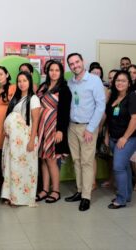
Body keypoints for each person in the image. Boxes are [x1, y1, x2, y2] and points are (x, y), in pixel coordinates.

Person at [65, 53, 106, 211]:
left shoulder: (94, 81)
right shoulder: (71, 82)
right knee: (76, 160)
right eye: (72, 64)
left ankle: (86, 197)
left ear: (83, 62)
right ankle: (80, 190)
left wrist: (90, 129)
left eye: (77, 62)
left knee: (87, 162)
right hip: (72, 127)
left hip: (87, 128)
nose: (75, 65)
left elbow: (100, 106)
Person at [1, 71, 40, 206]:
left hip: (27, 138)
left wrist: (31, 141)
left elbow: (35, 121)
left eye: (25, 80)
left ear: (29, 82)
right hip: (14, 140)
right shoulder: (15, 98)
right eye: (19, 81)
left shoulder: (33, 99)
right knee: (12, 167)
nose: (22, 83)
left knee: (24, 169)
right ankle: (11, 195)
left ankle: (22, 198)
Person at [36, 61, 71, 203]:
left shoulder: (64, 89)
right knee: (43, 159)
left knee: (52, 160)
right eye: (51, 70)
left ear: (61, 72)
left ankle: (55, 190)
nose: (54, 72)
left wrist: (60, 131)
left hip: (54, 127)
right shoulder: (43, 87)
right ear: (47, 72)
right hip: (41, 126)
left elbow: (65, 112)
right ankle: (44, 189)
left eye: (57, 70)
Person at [105, 70, 136, 209]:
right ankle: (127, 194)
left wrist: (125, 137)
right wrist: (107, 135)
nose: (120, 83)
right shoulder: (113, 97)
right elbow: (109, 119)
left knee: (118, 167)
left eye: (123, 80)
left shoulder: (132, 97)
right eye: (117, 80)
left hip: (127, 139)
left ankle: (121, 199)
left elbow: (135, 119)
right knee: (125, 167)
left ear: (129, 83)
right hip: (113, 137)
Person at [0, 66, 16, 188]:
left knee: (6, 153)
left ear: (7, 74)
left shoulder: (13, 88)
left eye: (1, 74)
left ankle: (7, 183)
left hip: (7, 123)